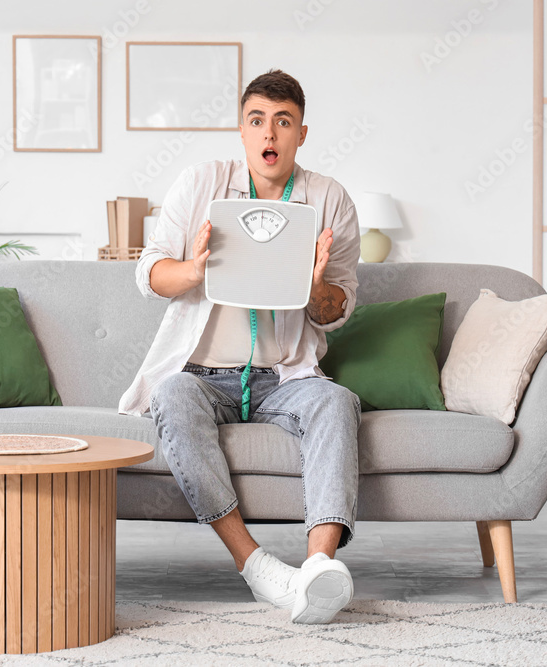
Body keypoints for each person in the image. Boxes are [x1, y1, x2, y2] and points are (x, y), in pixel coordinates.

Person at [118, 69, 362, 624]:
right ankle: (257, 567)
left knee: (338, 402)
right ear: (242, 129)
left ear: (302, 133)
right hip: (203, 375)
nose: (269, 134)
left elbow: (336, 312)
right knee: (173, 394)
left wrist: (316, 283)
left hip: (284, 378)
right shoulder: (201, 182)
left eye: (283, 122)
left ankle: (319, 568)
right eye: (257, 121)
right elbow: (149, 273)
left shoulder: (329, 199)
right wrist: (196, 269)